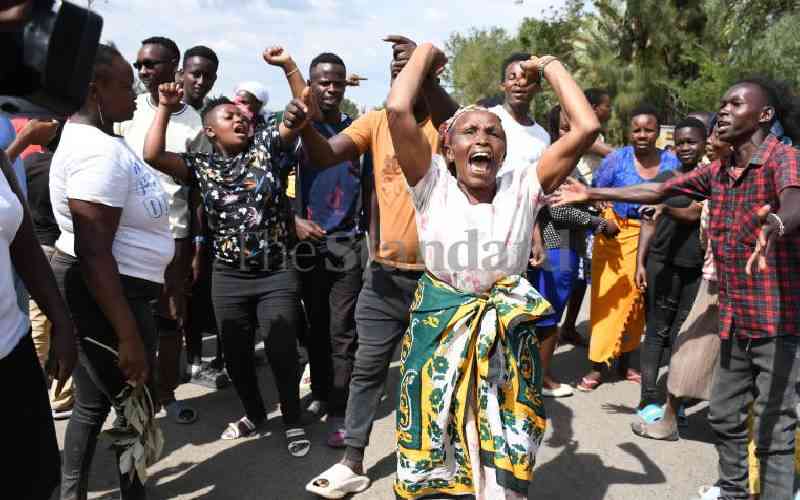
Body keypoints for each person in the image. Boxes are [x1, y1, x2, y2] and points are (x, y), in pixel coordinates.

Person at [552, 77, 800, 500]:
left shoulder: (783, 158)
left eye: (735, 104)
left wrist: (776, 223)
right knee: (723, 414)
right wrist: (592, 190)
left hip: (777, 321)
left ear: (764, 115)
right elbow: (661, 188)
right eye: (721, 103)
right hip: (735, 318)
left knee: (776, 427)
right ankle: (734, 491)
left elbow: (794, 199)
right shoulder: (720, 170)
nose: (723, 110)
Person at [387, 43, 600, 500]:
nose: (482, 138)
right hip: (441, 327)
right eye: (469, 131)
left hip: (505, 332)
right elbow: (398, 108)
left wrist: (549, 66)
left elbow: (586, 126)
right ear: (448, 149)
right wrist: (425, 53)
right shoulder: (431, 184)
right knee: (438, 441)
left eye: (493, 133)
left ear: (504, 152)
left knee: (506, 438)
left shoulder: (524, 184)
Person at [302, 35, 458, 498]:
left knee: (434, 373)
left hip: (441, 279)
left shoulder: (450, 127)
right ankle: (352, 461)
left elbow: (451, 113)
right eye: (396, 78)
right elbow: (325, 154)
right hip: (385, 275)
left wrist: (425, 64)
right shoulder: (374, 122)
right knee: (368, 369)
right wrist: (307, 124)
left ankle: (436, 459)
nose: (400, 87)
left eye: (409, 78)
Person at [143, 58, 313, 455]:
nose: (239, 119)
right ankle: (254, 413)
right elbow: (152, 154)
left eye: (242, 115)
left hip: (276, 272)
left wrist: (289, 67)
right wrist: (166, 109)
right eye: (228, 116)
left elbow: (298, 114)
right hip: (229, 276)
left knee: (281, 345)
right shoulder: (200, 165)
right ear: (210, 130)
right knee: (236, 357)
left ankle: (291, 417)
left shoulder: (266, 146)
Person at [51, 43, 173, 500]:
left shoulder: (105, 140)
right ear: (94, 89)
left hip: (122, 294)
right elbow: (94, 250)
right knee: (126, 403)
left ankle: (79, 493)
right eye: (125, 85)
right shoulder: (94, 152)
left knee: (103, 402)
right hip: (111, 297)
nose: (137, 93)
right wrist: (127, 336)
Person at [118, 36, 203, 424]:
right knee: (130, 317)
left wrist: (198, 245)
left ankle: (166, 394)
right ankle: (134, 394)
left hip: (174, 234)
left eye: (151, 64)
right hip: (126, 233)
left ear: (174, 65)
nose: (144, 71)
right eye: (139, 65)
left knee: (171, 317)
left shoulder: (194, 121)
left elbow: (200, 186)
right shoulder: (126, 109)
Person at [575, 103, 680, 392]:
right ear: (629, 132)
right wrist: (602, 205)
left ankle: (626, 361)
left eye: (649, 130)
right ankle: (598, 364)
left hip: (655, 237)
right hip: (615, 238)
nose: (642, 135)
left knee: (637, 304)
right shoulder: (617, 159)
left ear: (658, 133)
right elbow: (596, 191)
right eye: (637, 130)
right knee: (607, 302)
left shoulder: (672, 162)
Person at [290, 52, 365, 447]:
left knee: (342, 328)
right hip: (308, 243)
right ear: (313, 87)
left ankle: (340, 404)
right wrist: (293, 219)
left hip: (348, 242)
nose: (331, 89)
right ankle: (320, 391)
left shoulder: (356, 132)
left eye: (337, 82)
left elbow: (367, 186)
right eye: (323, 82)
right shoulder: (301, 132)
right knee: (315, 323)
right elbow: (277, 178)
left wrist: (370, 231)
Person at [2, 118, 76, 500]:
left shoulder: (1, 158)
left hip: (12, 349)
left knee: (39, 480)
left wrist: (61, 321)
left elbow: (22, 238)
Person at [528, 105, 618, 398]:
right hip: (557, 243)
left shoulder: (572, 160)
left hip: (570, 244)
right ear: (556, 131)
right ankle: (541, 377)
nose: (573, 133)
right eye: (567, 128)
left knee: (551, 311)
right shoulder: (556, 160)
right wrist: (596, 221)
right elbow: (555, 211)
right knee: (548, 314)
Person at [630, 117, 707, 425]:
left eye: (692, 142)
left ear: (704, 143)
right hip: (661, 262)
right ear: (673, 146)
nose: (686, 147)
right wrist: (639, 263)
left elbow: (693, 213)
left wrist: (665, 208)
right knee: (657, 331)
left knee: (681, 335)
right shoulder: (666, 177)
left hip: (695, 267)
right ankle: (648, 399)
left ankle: (676, 400)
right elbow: (648, 223)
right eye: (681, 142)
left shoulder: (709, 178)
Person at [560, 88, 614, 346]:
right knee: (568, 272)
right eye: (606, 105)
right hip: (578, 210)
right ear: (593, 107)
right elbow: (613, 155)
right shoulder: (584, 133)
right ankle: (555, 329)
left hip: (591, 207)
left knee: (581, 276)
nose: (610, 110)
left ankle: (569, 327)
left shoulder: (593, 133)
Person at [178, 45, 218, 111]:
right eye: (196, 75)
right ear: (182, 74)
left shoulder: (215, 116)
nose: (201, 82)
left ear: (214, 79)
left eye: (208, 76)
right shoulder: (165, 111)